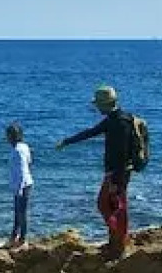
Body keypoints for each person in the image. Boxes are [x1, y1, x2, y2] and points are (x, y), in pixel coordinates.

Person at [57, 85, 134, 260]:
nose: (97, 108)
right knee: (116, 206)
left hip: (117, 172)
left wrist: (116, 179)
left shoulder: (119, 122)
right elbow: (92, 132)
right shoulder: (117, 118)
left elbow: (122, 153)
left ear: (105, 104)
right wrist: (68, 141)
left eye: (98, 104)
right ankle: (116, 241)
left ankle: (119, 244)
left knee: (105, 205)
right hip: (119, 171)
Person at [6, 123, 33, 248]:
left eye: (8, 135)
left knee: (21, 213)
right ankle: (14, 237)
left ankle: (22, 239)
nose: (7, 138)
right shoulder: (24, 146)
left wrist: (20, 188)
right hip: (24, 184)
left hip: (22, 185)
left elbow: (22, 169)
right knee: (18, 213)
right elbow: (29, 162)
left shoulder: (17, 150)